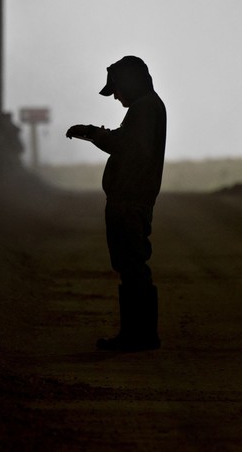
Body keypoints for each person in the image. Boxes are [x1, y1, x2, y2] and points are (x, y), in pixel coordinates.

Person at [66, 55, 166, 351]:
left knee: (132, 265)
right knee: (132, 264)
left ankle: (138, 336)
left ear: (129, 84)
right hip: (132, 198)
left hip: (130, 200)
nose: (116, 97)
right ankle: (140, 334)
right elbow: (128, 142)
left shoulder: (144, 109)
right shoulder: (147, 107)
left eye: (117, 90)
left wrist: (93, 133)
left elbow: (127, 146)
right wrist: (95, 133)